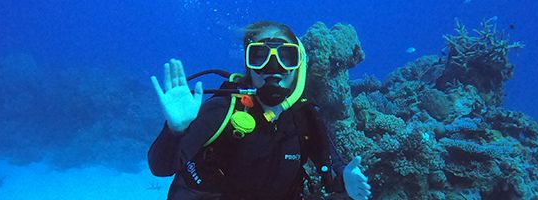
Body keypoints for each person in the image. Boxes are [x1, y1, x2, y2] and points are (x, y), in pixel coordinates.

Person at [147, 21, 371, 200]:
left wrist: (346, 180)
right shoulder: (224, 109)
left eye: (286, 57)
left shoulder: (305, 117)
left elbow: (330, 173)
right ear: (248, 65)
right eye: (260, 56)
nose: (273, 67)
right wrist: (174, 131)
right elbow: (161, 167)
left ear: (299, 66)